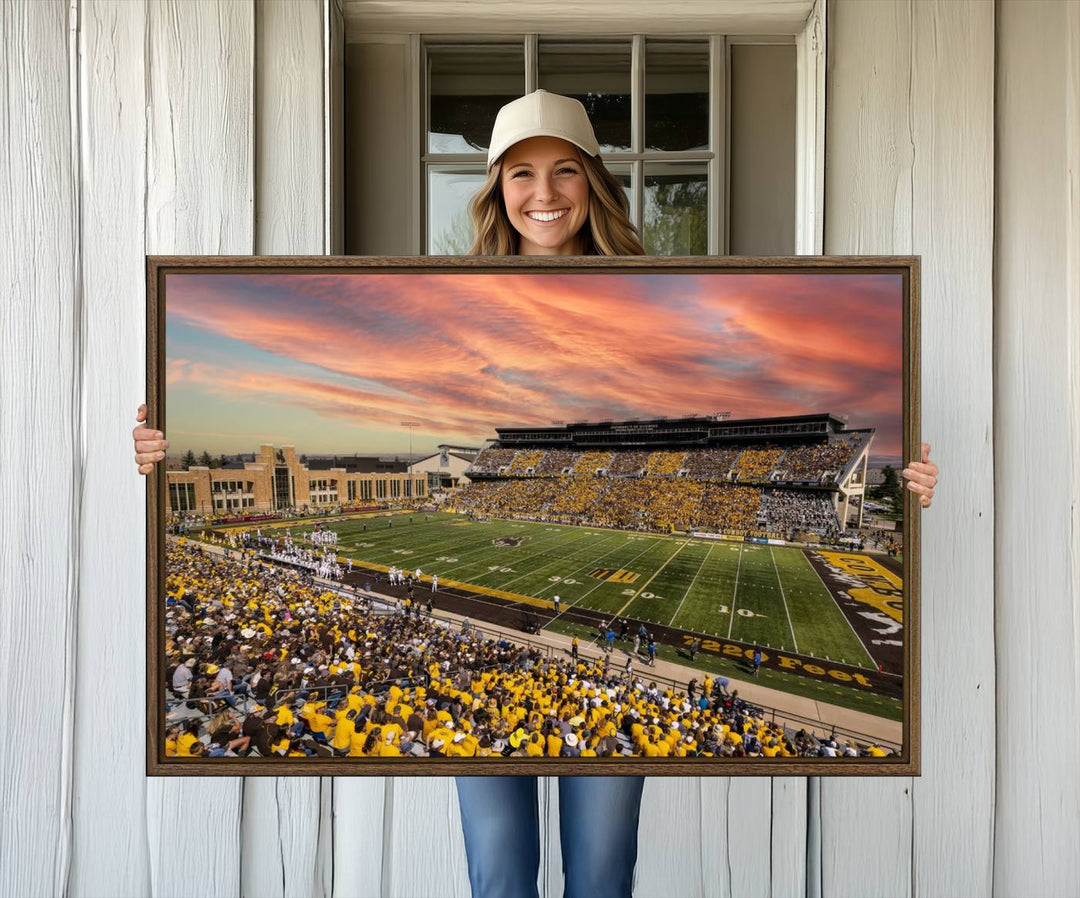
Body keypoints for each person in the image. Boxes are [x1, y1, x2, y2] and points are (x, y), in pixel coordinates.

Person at [132, 89, 939, 898]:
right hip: (520, 587)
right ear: (495, 188)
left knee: (599, 873)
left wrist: (905, 487)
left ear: (593, 181)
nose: (544, 193)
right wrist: (158, 450)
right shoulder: (458, 296)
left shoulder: (663, 290)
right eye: (521, 173)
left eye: (564, 171)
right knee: (499, 873)